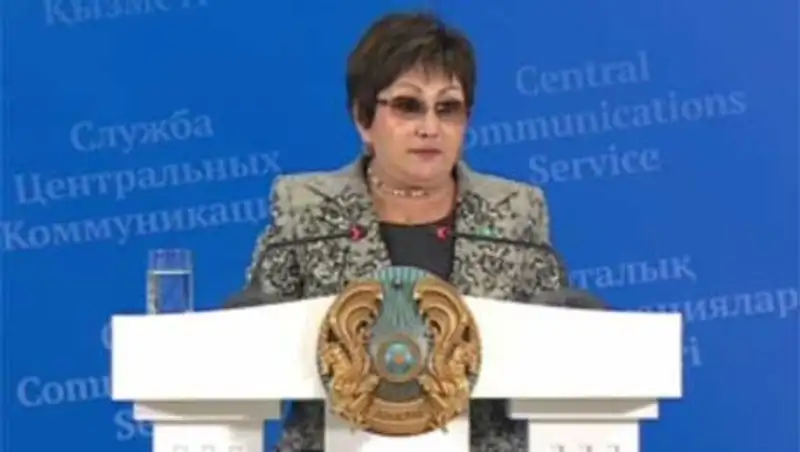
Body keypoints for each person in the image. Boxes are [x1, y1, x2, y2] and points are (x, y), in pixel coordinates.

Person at [242, 11, 568, 452]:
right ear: (363, 119)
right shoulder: (306, 209)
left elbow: (561, 345)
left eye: (447, 109)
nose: (429, 128)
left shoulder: (515, 212)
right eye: (407, 106)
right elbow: (251, 341)